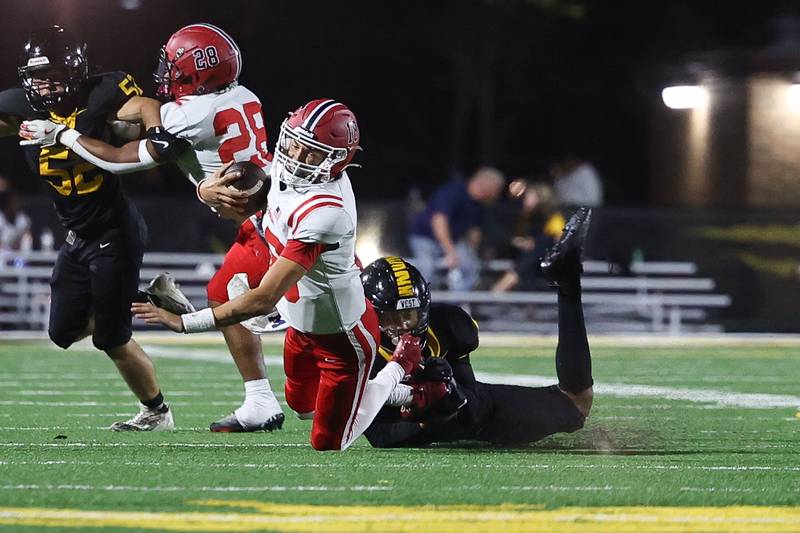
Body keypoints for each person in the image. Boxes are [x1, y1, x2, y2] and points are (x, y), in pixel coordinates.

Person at [21, 24, 285, 433]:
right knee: (223, 294)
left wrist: (64, 133)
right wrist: (201, 187)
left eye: (175, 68)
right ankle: (261, 399)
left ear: (198, 72)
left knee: (305, 318)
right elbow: (208, 154)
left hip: (271, 227)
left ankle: (392, 380)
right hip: (269, 214)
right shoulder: (244, 96)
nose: (166, 76)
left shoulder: (187, 114)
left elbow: (119, 159)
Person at [132, 99, 424, 451]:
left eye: (311, 152)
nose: (295, 155)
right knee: (302, 407)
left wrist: (186, 323)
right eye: (292, 142)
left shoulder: (326, 211)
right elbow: (249, 188)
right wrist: (205, 189)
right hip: (300, 323)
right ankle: (374, 391)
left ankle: (402, 374)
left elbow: (263, 297)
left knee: (328, 443)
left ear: (336, 160)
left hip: (343, 336)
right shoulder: (290, 168)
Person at [0, 26, 174, 430]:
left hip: (114, 230)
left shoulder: (102, 96)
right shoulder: (22, 108)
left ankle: (156, 412)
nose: (45, 85)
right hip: (77, 237)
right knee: (62, 332)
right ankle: (140, 298)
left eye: (54, 75)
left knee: (111, 339)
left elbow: (147, 105)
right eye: (38, 76)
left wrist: (156, 133)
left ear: (76, 70)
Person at [360, 208, 594, 447]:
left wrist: (450, 392)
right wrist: (430, 423)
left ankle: (568, 279)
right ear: (371, 314)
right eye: (392, 318)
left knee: (576, 403)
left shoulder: (447, 327)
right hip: (441, 425)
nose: (403, 326)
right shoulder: (362, 353)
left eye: (409, 315)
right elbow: (380, 436)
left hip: (482, 414)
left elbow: (470, 401)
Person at [408, 167, 505, 290]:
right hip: (424, 238)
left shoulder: (479, 205)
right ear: (487, 187)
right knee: (427, 268)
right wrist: (450, 251)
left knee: (471, 267)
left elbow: (475, 230)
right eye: (496, 190)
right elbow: (439, 221)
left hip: (453, 240)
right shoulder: (453, 192)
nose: (497, 195)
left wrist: (473, 251)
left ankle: (457, 305)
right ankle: (422, 305)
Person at [492, 180, 565, 292]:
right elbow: (515, 237)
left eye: (529, 197)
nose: (524, 200)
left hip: (549, 264)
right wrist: (520, 242)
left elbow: (559, 243)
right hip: (528, 262)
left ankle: (503, 285)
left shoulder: (554, 218)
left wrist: (534, 243)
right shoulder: (525, 218)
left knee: (542, 244)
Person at [0, 177, 32, 252]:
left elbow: (28, 236)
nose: (15, 205)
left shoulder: (22, 218)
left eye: (17, 202)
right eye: (13, 203)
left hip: (18, 254)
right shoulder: (1, 217)